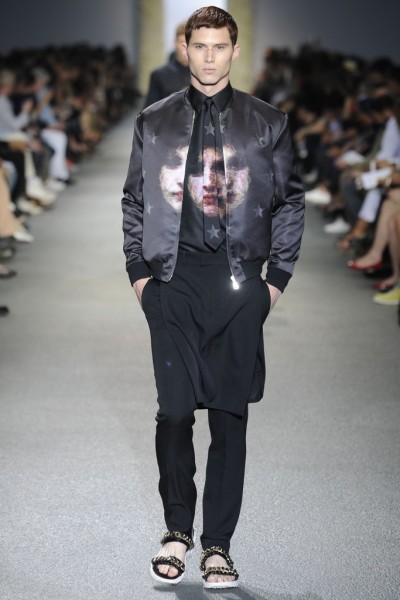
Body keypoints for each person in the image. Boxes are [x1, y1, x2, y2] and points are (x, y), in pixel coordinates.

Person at [122, 5, 304, 590]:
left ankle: (217, 545)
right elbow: (134, 198)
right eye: (198, 45)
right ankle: (177, 529)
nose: (208, 56)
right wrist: (139, 275)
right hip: (172, 282)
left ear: (234, 50)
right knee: (174, 412)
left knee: (229, 418)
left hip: (238, 284)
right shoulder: (153, 120)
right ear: (185, 48)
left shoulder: (268, 121)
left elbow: (290, 200)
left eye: (218, 46)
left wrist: (274, 281)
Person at [143, 21, 190, 108]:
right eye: (182, 43)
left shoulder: (205, 75)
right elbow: (149, 112)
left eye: (189, 43)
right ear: (175, 43)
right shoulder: (159, 76)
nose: (186, 48)